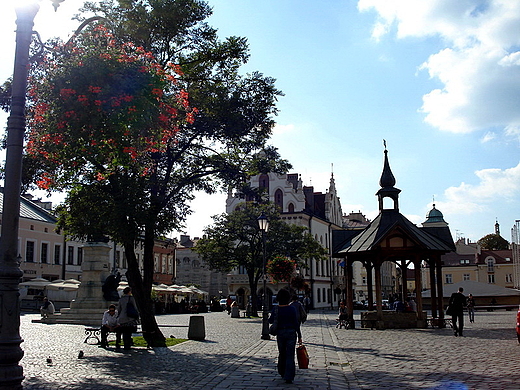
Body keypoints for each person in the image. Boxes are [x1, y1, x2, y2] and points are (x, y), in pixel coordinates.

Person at [269, 289, 302, 384]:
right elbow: (296, 323)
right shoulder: (292, 309)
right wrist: (299, 335)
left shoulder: (276, 309)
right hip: (291, 332)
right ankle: (289, 376)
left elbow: (270, 321)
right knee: (290, 354)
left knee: (282, 353)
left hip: (280, 333)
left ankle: (282, 371)